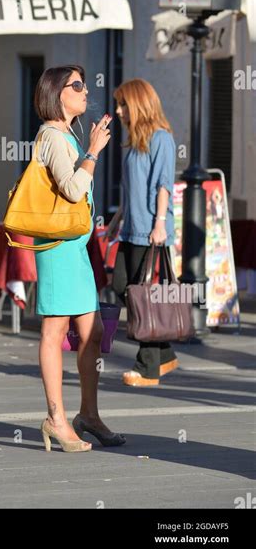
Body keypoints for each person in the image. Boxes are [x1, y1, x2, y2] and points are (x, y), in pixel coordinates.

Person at [33, 65, 126, 452]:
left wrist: (88, 148)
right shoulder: (53, 136)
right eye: (77, 85)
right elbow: (72, 191)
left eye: (85, 84)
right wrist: (92, 152)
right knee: (55, 333)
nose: (85, 90)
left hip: (74, 247)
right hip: (57, 248)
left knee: (93, 333)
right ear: (57, 93)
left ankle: (88, 415)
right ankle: (56, 419)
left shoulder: (66, 133)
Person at [108, 78, 178, 386]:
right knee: (122, 285)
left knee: (144, 298)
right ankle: (163, 354)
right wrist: (116, 220)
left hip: (151, 229)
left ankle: (148, 367)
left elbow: (164, 183)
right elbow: (130, 189)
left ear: (139, 104)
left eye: (123, 104)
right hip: (131, 228)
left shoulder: (161, 138)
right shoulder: (134, 144)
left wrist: (160, 223)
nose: (119, 110)